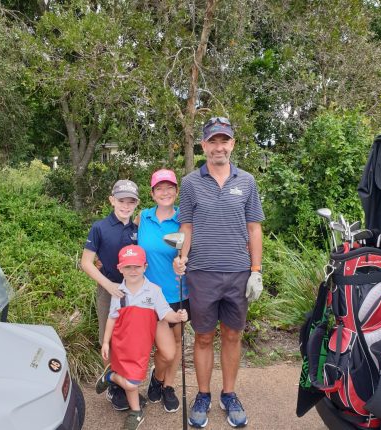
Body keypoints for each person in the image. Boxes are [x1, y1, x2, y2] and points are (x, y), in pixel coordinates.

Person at [174, 117, 264, 428]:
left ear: (232, 145)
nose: (219, 147)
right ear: (204, 146)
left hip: (238, 273)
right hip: (201, 273)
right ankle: (202, 395)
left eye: (224, 141)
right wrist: (181, 259)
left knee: (232, 334)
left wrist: (256, 270)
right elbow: (187, 226)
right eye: (213, 141)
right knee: (202, 336)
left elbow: (254, 228)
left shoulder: (247, 181)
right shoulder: (189, 183)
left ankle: (229, 393)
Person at [95, 244, 188, 430]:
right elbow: (112, 319)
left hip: (141, 347)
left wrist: (177, 317)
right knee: (131, 382)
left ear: (145, 267)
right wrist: (106, 342)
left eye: (137, 266)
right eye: (128, 267)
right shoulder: (118, 293)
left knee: (131, 382)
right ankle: (136, 411)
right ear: (120, 269)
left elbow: (165, 313)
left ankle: (111, 377)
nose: (133, 270)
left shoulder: (153, 290)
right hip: (123, 345)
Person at [81, 179, 141, 410]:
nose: (125, 205)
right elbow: (86, 263)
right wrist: (108, 286)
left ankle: (127, 385)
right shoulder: (99, 227)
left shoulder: (137, 229)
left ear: (136, 204)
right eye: (121, 200)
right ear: (112, 200)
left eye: (130, 202)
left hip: (135, 290)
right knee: (109, 339)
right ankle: (115, 386)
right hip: (109, 289)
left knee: (129, 339)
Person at [136, 169, 190, 413]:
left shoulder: (184, 219)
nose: (165, 192)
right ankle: (157, 377)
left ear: (176, 191)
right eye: (159, 188)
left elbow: (192, 251)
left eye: (170, 188)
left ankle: (167, 385)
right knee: (162, 348)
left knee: (176, 343)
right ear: (152, 192)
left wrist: (184, 262)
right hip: (148, 295)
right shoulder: (143, 217)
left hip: (178, 293)